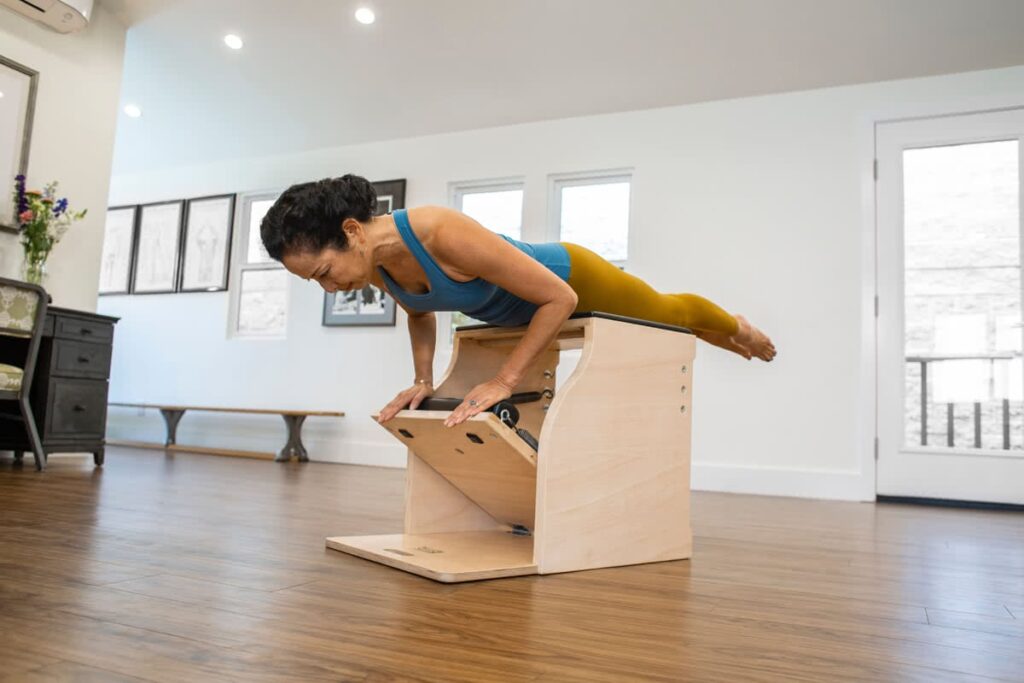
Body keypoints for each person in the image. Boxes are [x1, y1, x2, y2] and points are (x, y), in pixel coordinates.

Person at [261, 175, 776, 427]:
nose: (328, 288)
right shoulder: (371, 263)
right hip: (531, 307)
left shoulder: (439, 232)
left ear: (352, 232)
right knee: (675, 328)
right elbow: (417, 309)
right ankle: (728, 336)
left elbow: (560, 297)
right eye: (315, 283)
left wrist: (505, 380)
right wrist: (423, 380)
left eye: (324, 273)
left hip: (572, 276)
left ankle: (736, 326)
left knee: (669, 315)